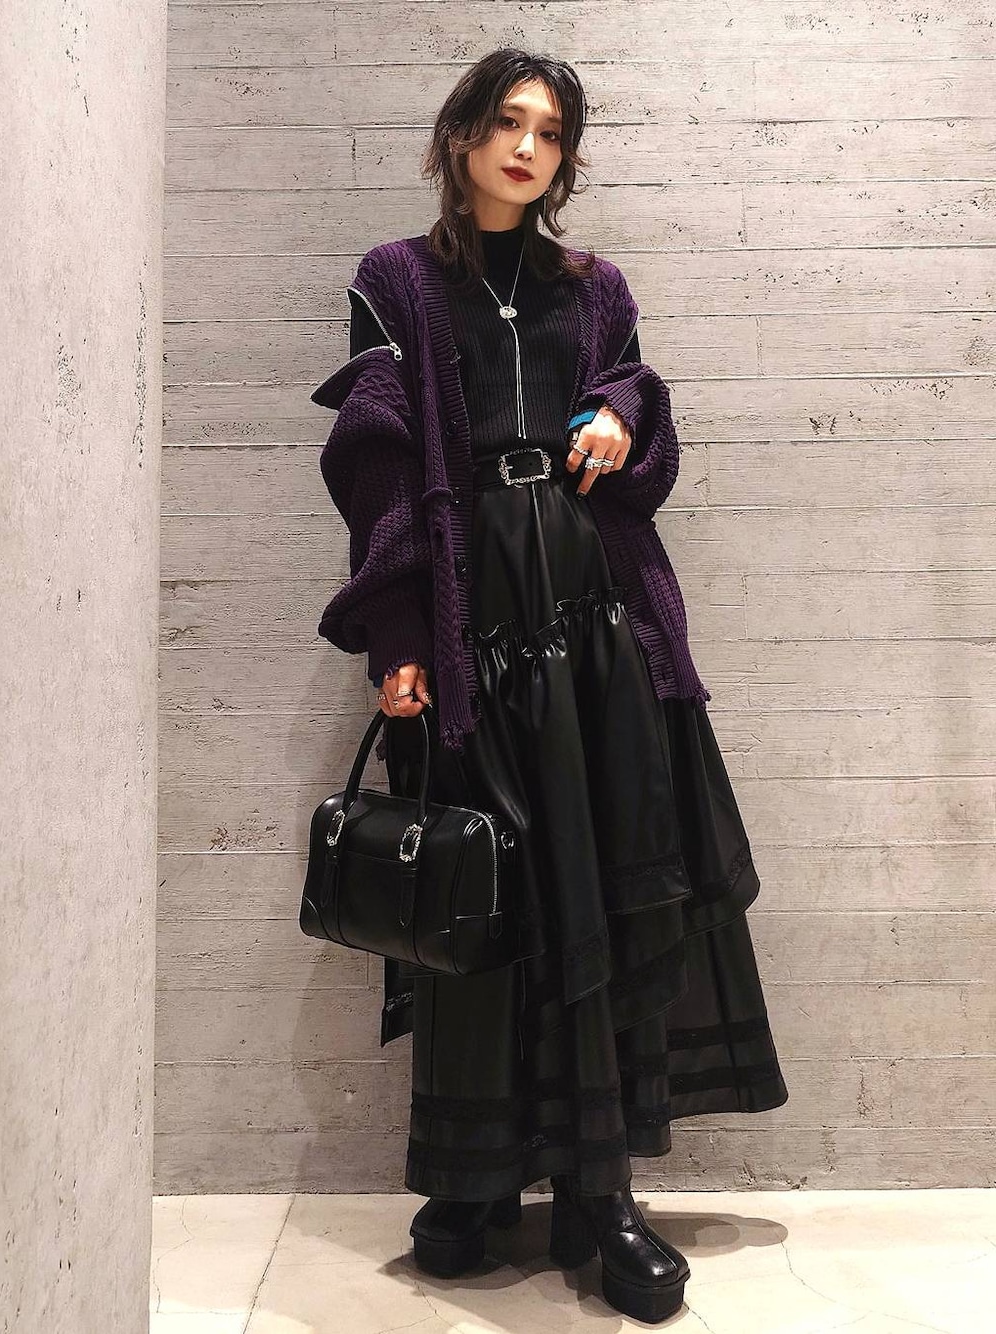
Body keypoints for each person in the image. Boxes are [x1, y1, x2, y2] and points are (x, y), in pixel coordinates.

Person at [311, 47, 788, 1326]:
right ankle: (472, 1182)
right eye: (508, 122)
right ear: (461, 135)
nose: (528, 147)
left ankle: (599, 1191)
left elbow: (630, 395)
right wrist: (398, 635)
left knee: (605, 889)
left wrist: (622, 409)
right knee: (481, 896)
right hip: (471, 623)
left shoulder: (594, 286)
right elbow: (376, 459)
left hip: (594, 619)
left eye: (551, 131)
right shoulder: (395, 280)